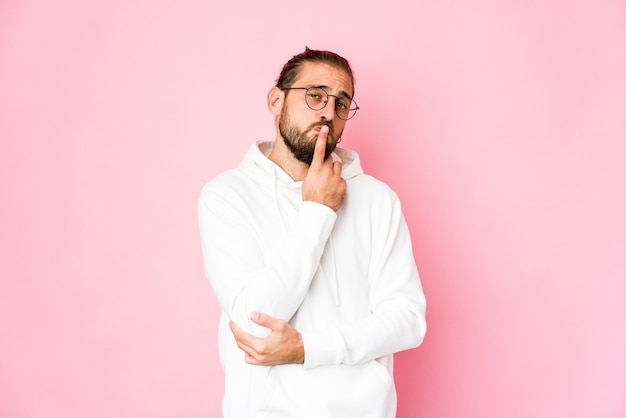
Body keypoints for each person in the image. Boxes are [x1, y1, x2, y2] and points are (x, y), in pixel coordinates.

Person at [198, 47, 426, 418]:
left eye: (341, 103)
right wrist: (318, 210)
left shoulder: (377, 199)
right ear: (276, 100)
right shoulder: (226, 195)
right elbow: (253, 318)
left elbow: (407, 320)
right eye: (315, 95)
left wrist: (308, 349)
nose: (327, 113)